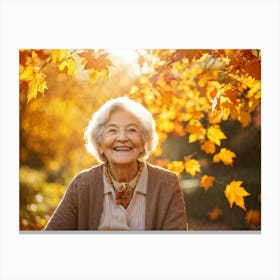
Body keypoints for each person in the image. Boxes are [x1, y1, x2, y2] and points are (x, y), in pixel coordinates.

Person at [44, 96, 187, 230]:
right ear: (99, 144)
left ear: (144, 142)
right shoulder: (82, 185)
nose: (122, 138)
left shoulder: (167, 184)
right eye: (112, 130)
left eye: (132, 130)